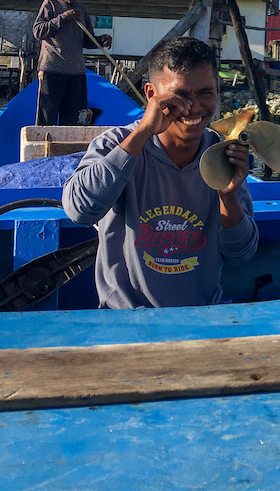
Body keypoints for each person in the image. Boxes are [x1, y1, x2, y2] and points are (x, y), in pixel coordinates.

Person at [62, 37, 258, 309]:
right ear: (151, 95)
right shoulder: (113, 145)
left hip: (201, 319)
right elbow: (79, 210)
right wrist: (142, 132)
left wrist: (229, 197)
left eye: (205, 93)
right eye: (179, 96)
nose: (193, 107)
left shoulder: (222, 155)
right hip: (125, 322)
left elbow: (242, 255)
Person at [32, 0, 112, 125]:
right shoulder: (51, 5)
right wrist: (62, 18)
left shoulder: (82, 10)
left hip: (76, 73)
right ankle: (43, 148)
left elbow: (87, 41)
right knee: (47, 118)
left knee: (74, 119)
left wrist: (101, 40)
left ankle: (69, 150)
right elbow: (38, 31)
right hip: (52, 70)